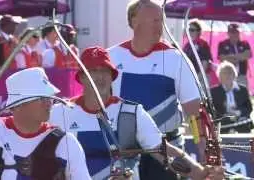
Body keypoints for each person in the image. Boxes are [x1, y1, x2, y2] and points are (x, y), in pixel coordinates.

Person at [50, 47, 224, 180]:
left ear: (112, 76)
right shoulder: (60, 113)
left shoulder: (131, 113)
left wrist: (201, 173)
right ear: (81, 77)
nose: (100, 77)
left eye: (104, 71)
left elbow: (164, 151)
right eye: (93, 71)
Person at [107, 1, 207, 179]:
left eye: (162, 20)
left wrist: (204, 150)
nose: (161, 26)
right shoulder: (111, 57)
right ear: (134, 20)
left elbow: (195, 113)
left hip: (166, 150)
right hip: (124, 153)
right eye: (155, 20)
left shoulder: (176, 58)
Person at [211, 61, 253, 133]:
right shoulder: (214, 91)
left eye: (230, 73)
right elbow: (212, 110)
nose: (228, 75)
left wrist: (239, 112)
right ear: (220, 76)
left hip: (240, 120)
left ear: (234, 75)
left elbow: (249, 108)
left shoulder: (242, 89)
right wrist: (225, 116)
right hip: (223, 121)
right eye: (224, 73)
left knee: (244, 124)